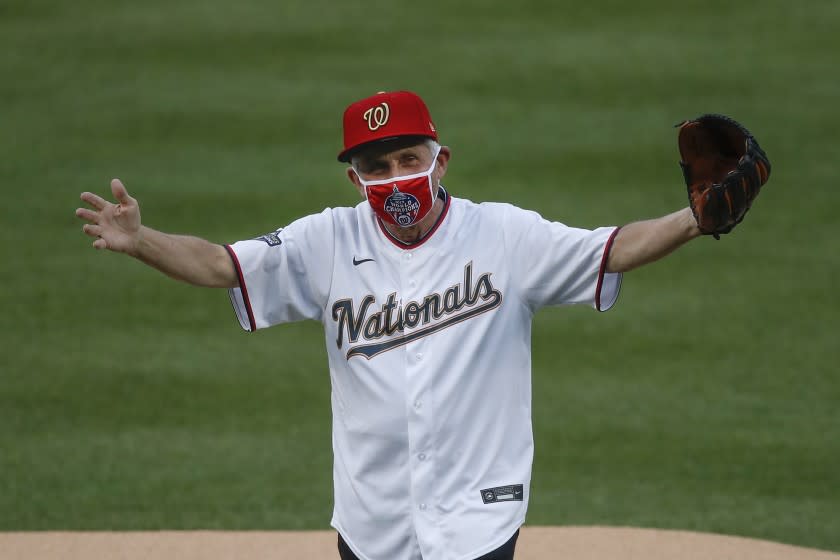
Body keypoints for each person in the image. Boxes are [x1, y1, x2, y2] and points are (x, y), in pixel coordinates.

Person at [76, 90, 702, 560]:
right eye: (377, 168)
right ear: (355, 178)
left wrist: (696, 218)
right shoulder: (326, 240)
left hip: (475, 519)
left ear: (442, 161)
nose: (396, 178)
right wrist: (141, 241)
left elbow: (612, 248)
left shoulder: (504, 234)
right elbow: (221, 265)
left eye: (409, 158)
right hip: (372, 523)